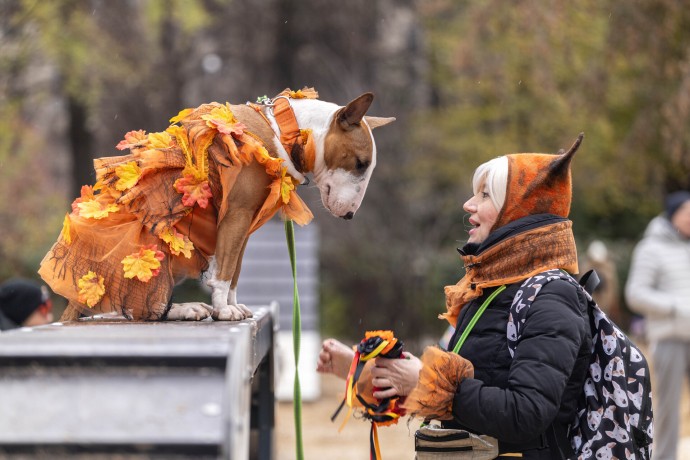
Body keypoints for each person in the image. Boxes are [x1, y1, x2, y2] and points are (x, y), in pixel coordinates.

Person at [317, 134, 592, 459]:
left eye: (485, 195)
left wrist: (424, 380)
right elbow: (460, 405)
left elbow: (525, 413)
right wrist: (363, 372)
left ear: (519, 212)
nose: (469, 204)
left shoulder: (552, 295)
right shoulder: (488, 290)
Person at [625, 190, 690, 460]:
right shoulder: (650, 248)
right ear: (673, 214)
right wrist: (675, 306)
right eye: (688, 212)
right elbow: (635, 294)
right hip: (669, 338)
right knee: (669, 409)